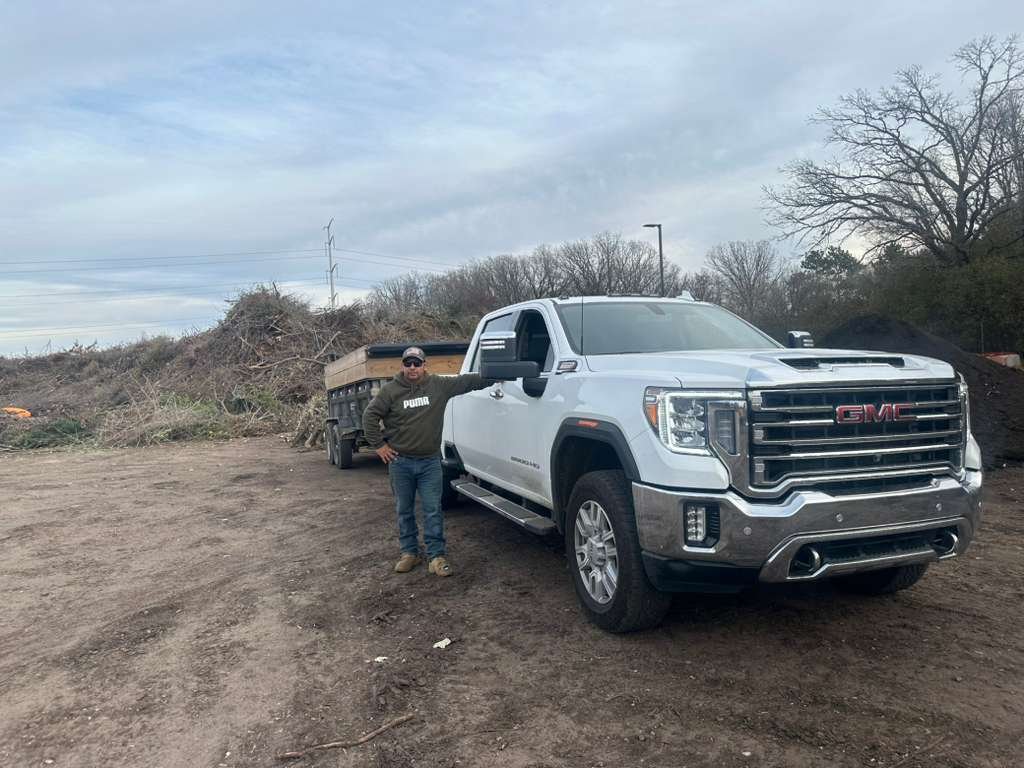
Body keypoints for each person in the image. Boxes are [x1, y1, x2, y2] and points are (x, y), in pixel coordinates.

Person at [362, 346, 493, 577]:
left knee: (433, 509)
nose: (412, 368)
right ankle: (409, 553)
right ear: (402, 365)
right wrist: (380, 446)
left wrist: (497, 375)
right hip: (400, 463)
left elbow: (468, 381)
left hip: (430, 462)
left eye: (417, 363)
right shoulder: (390, 391)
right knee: (404, 509)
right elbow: (369, 416)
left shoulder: (439, 386)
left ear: (425, 365)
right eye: (408, 363)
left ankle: (436, 556)